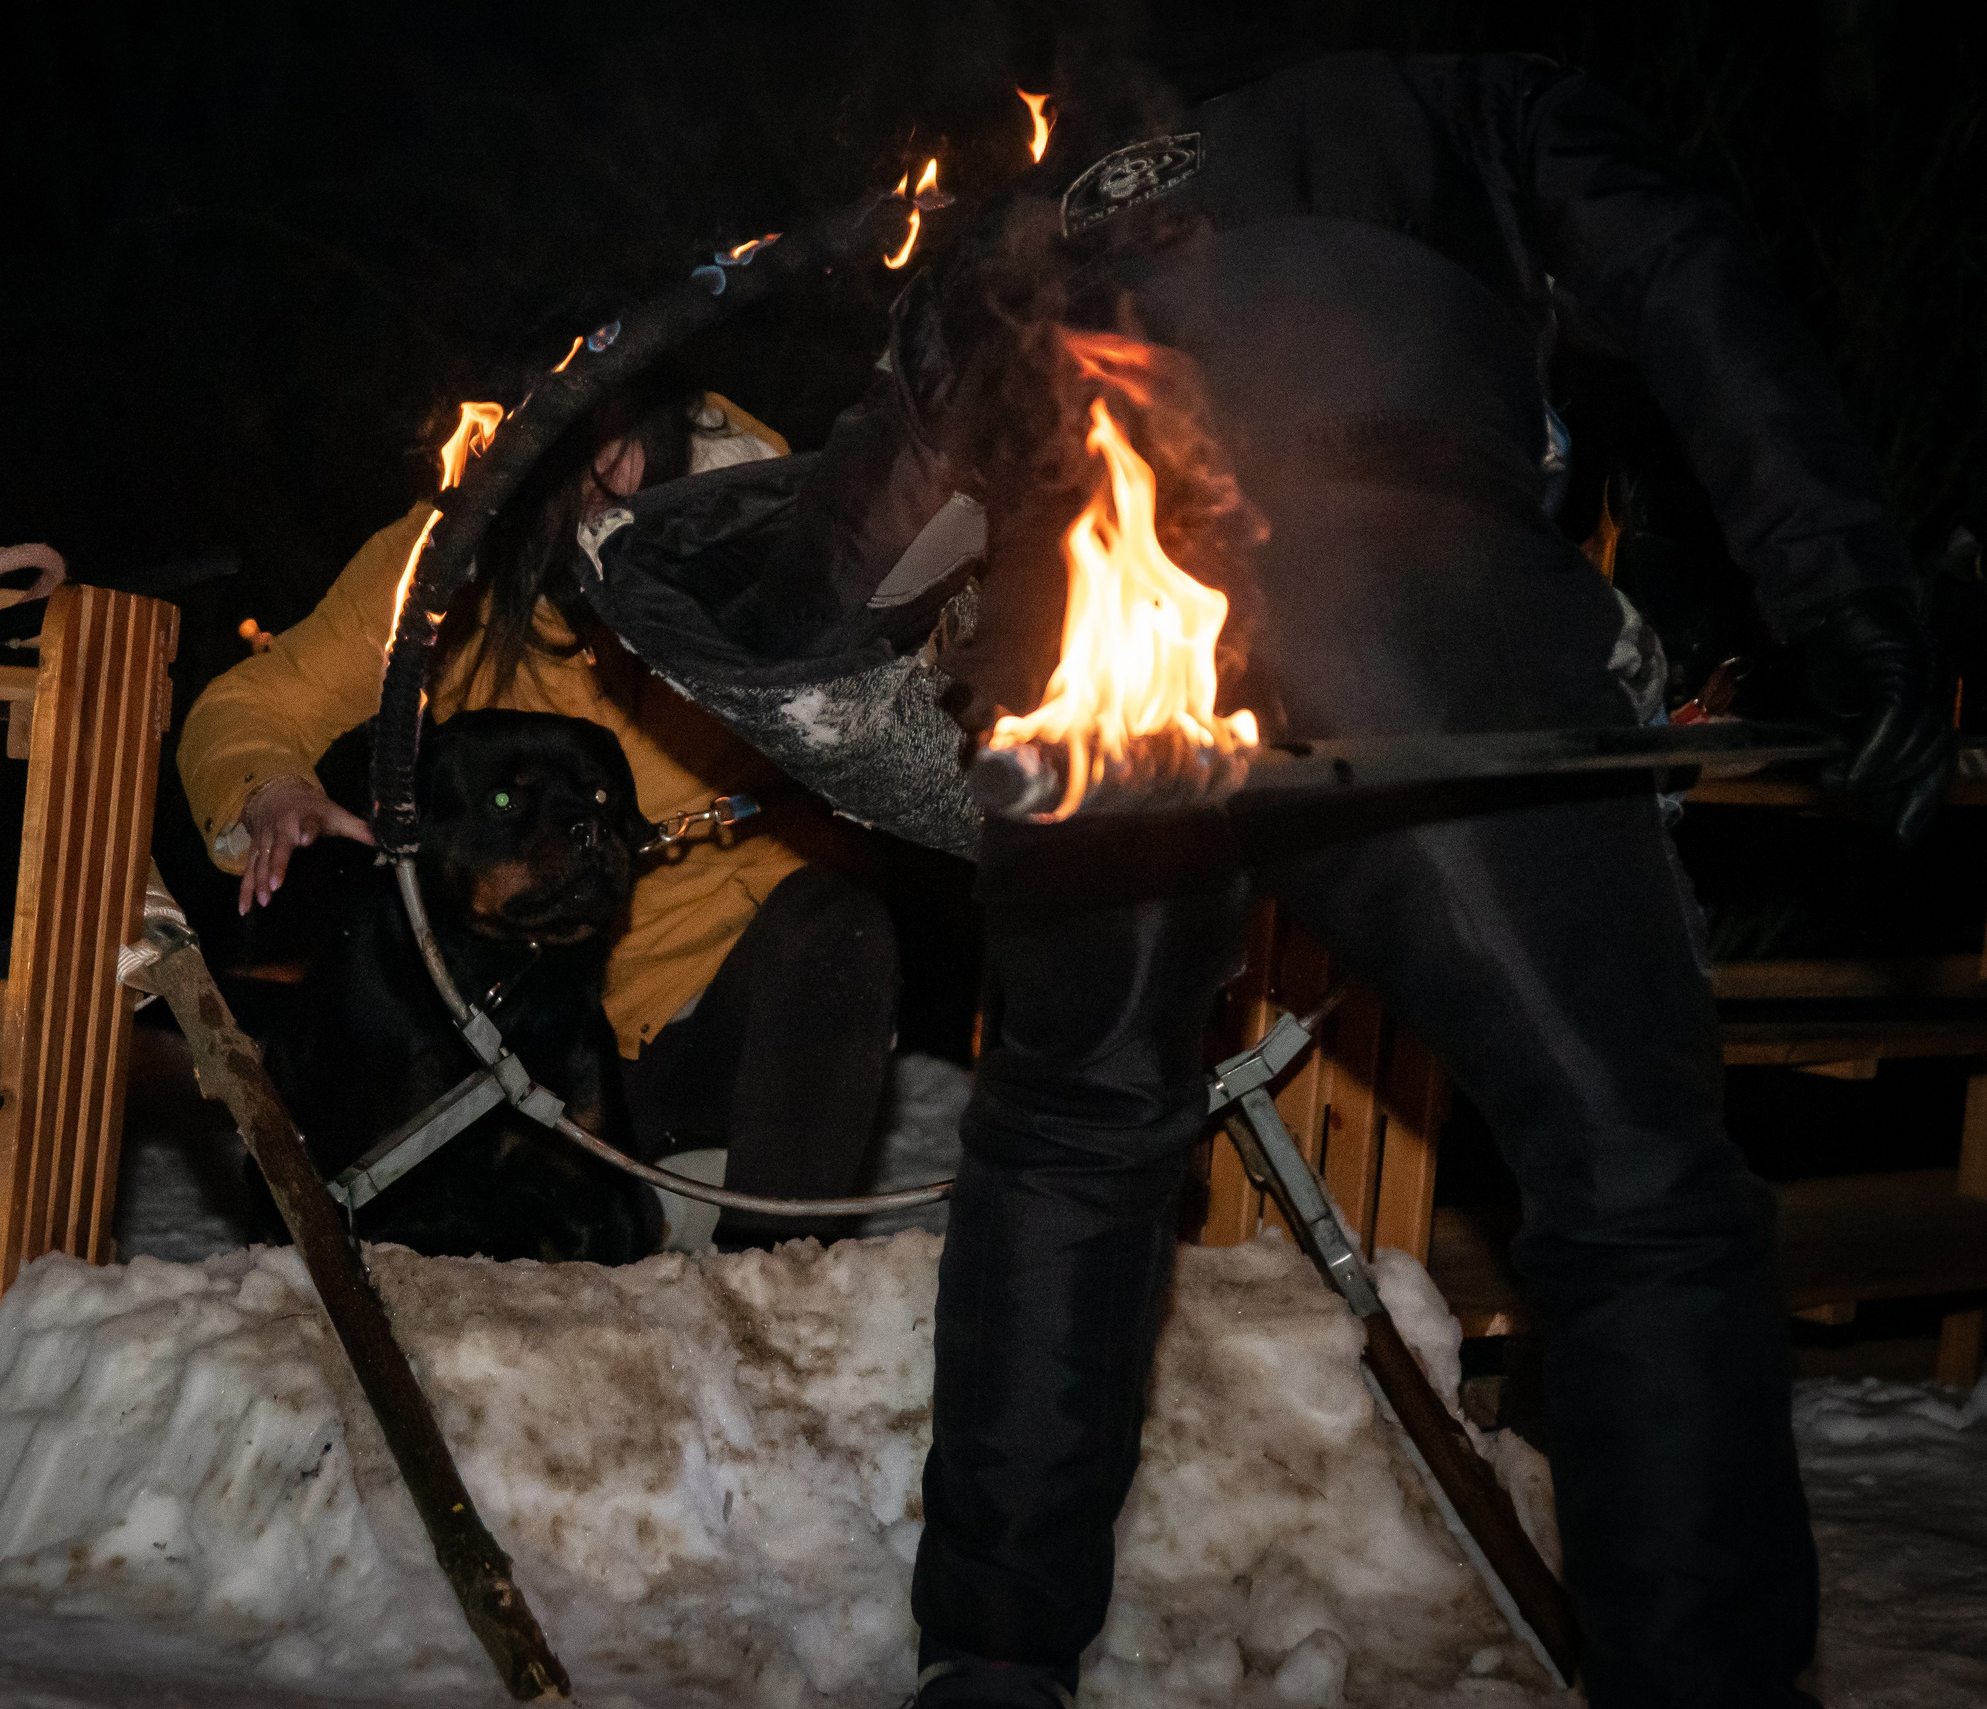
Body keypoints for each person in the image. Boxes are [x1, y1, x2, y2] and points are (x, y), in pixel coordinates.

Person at [573, 9, 1949, 1705]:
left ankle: (994, 1661)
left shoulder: (1026, 214)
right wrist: (1849, 594)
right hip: (1403, 598)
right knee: (1633, 1175)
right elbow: (1691, 283)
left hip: (1078, 636)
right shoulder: (1466, 94)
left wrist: (666, 585)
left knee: (1071, 1135)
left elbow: (842, 558)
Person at [176, 366, 900, 1240]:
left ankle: (777, 1284)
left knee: (837, 926)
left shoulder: (777, 531)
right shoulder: (443, 563)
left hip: (724, 1003)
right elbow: (252, 704)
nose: (609, 487)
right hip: (518, 1024)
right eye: (572, 455)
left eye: (622, 446)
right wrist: (271, 789)